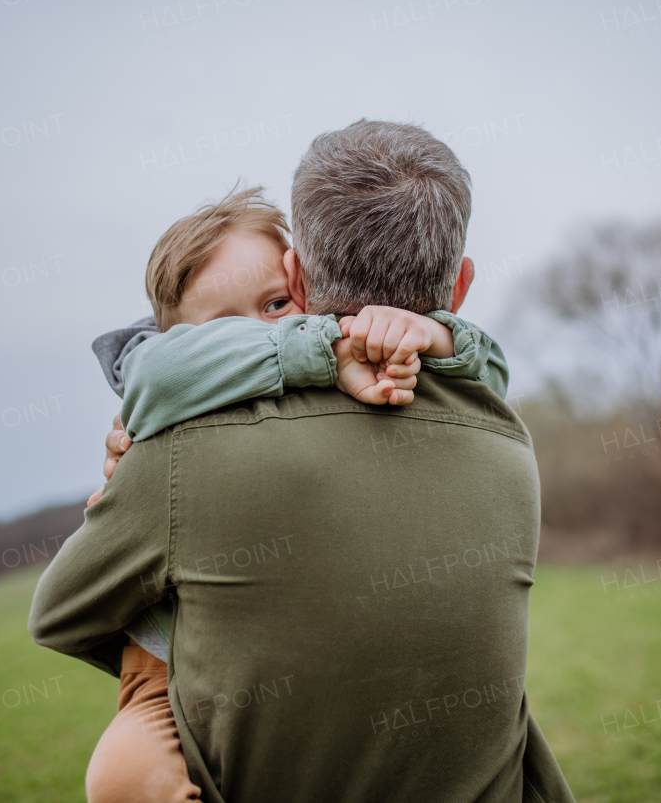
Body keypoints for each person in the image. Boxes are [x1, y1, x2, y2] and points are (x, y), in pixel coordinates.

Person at [30, 120, 575, 802]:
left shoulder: (186, 449)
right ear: (459, 285)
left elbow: (58, 614)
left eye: (271, 305)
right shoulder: (507, 444)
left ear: (297, 277)